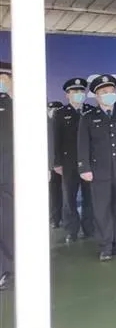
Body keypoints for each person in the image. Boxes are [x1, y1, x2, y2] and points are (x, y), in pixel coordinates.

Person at [77, 75, 116, 261]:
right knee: (102, 210)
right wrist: (84, 168)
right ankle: (106, 246)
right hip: (99, 172)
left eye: (111, 91)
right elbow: (83, 145)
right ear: (97, 96)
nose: (108, 94)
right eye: (104, 92)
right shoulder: (88, 117)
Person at [53, 77, 95, 243]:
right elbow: (55, 139)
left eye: (81, 91)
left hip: (89, 162)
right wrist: (56, 162)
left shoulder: (91, 111)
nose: (78, 93)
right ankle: (71, 230)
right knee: (69, 198)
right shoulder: (60, 113)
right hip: (68, 162)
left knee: (89, 197)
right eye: (74, 91)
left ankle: (89, 228)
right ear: (67, 95)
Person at [0, 61, 13, 290]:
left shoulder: (20, 105)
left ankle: (10, 265)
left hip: (11, 173)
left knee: (10, 221)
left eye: (4, 78)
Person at [48, 101, 64, 228]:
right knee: (53, 193)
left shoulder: (62, 122)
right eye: (51, 108)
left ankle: (63, 217)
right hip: (50, 164)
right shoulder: (44, 123)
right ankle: (54, 218)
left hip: (63, 163)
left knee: (66, 193)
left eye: (56, 109)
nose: (53, 111)